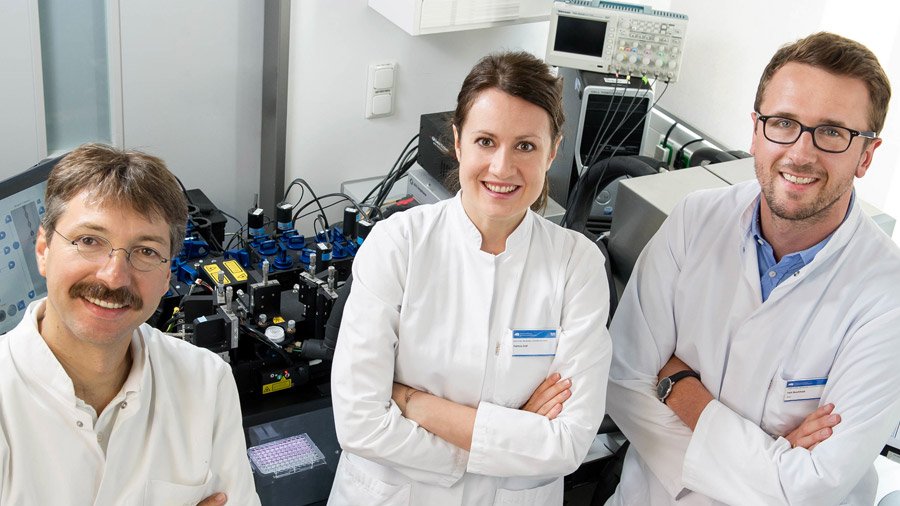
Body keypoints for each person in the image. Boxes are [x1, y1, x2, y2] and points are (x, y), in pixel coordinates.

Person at [606, 32, 900, 505]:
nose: (801, 153)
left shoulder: (889, 296)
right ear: (756, 131)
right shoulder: (694, 220)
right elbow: (623, 380)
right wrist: (775, 463)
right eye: (783, 122)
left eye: (832, 132)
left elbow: (811, 489)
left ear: (866, 155)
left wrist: (680, 389)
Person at [329, 51, 612, 505]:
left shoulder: (577, 265)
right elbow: (359, 422)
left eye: (525, 145)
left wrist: (414, 404)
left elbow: (566, 445)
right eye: (485, 141)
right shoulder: (398, 244)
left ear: (553, 151)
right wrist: (510, 438)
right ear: (458, 143)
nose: (502, 168)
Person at [0, 144, 260, 505]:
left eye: (146, 251)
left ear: (168, 275)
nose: (114, 277)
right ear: (43, 250)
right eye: (89, 241)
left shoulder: (205, 382)